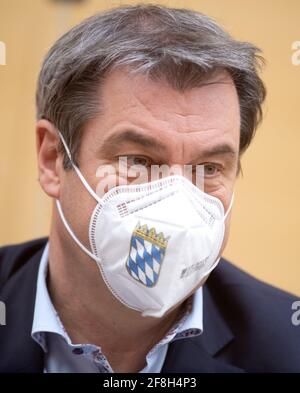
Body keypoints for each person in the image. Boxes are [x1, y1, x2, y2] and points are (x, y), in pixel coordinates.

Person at [0, 4, 299, 373]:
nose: (176, 198)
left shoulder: (288, 348)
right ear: (51, 159)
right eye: (137, 161)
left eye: (208, 168)